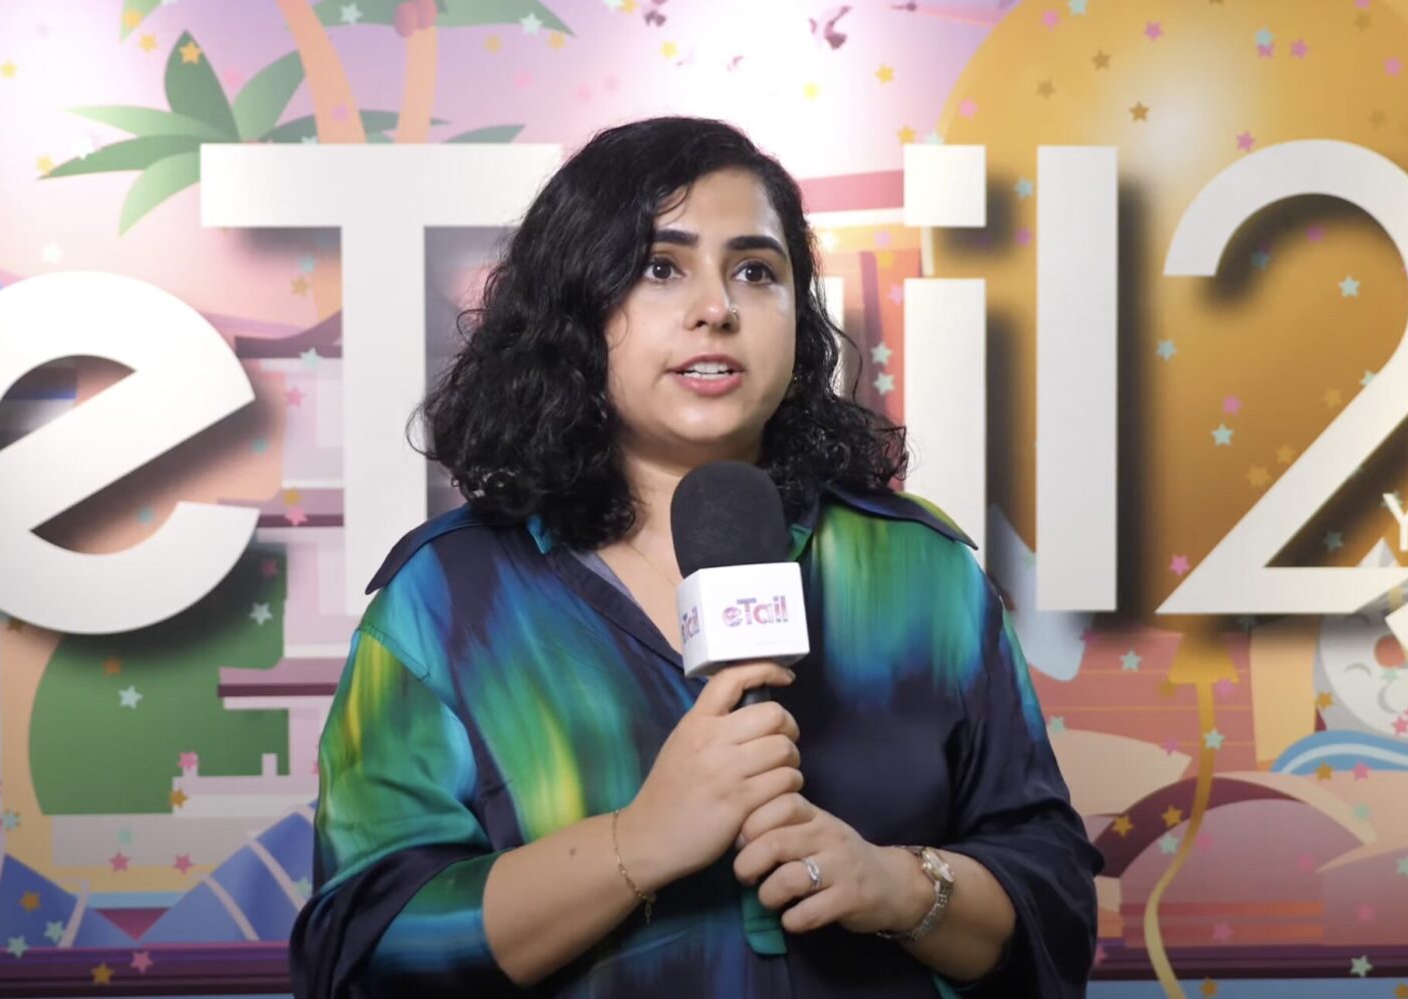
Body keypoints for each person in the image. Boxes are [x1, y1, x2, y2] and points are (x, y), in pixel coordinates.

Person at [289, 115, 1102, 998]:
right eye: (660, 267)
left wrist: (899, 886)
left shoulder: (921, 570)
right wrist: (638, 841)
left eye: (756, 271)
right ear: (575, 308)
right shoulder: (446, 599)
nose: (717, 307)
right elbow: (358, 954)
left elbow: (1054, 900)